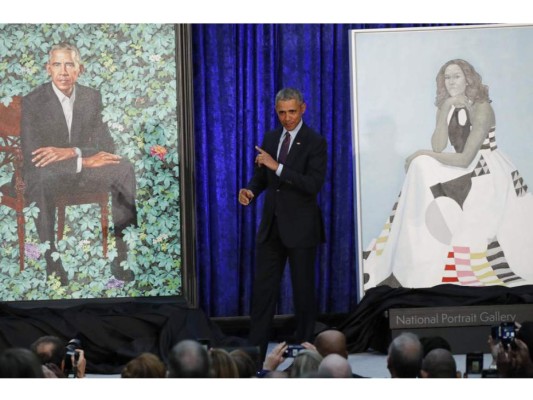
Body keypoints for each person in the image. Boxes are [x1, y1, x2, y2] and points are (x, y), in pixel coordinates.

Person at [364, 59, 533, 289]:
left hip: (485, 171)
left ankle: (430, 254)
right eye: (447, 77)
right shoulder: (450, 105)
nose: (451, 81)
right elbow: (438, 146)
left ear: (468, 79)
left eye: (457, 76)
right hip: (461, 166)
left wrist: (420, 153)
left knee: (422, 162)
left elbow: (465, 159)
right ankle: (410, 250)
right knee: (420, 166)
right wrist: (445, 109)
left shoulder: (482, 108)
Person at [21, 42, 137, 285]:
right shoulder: (33, 101)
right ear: (48, 69)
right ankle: (52, 262)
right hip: (48, 174)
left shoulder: (91, 97)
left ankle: (122, 256)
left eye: (69, 65)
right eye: (57, 64)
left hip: (81, 169)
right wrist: (83, 160)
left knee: (123, 168)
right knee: (40, 180)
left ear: (79, 70)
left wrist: (71, 152)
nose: (63, 71)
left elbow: (106, 145)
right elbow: (35, 157)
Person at [239, 87, 327, 359]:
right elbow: (262, 177)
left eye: (291, 111)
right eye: (281, 112)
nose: (287, 118)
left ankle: (305, 352)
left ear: (303, 108)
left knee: (303, 292)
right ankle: (255, 350)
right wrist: (251, 191)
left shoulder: (315, 142)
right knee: (263, 292)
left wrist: (276, 166)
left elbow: (312, 185)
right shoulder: (271, 137)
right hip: (272, 228)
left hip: (301, 228)